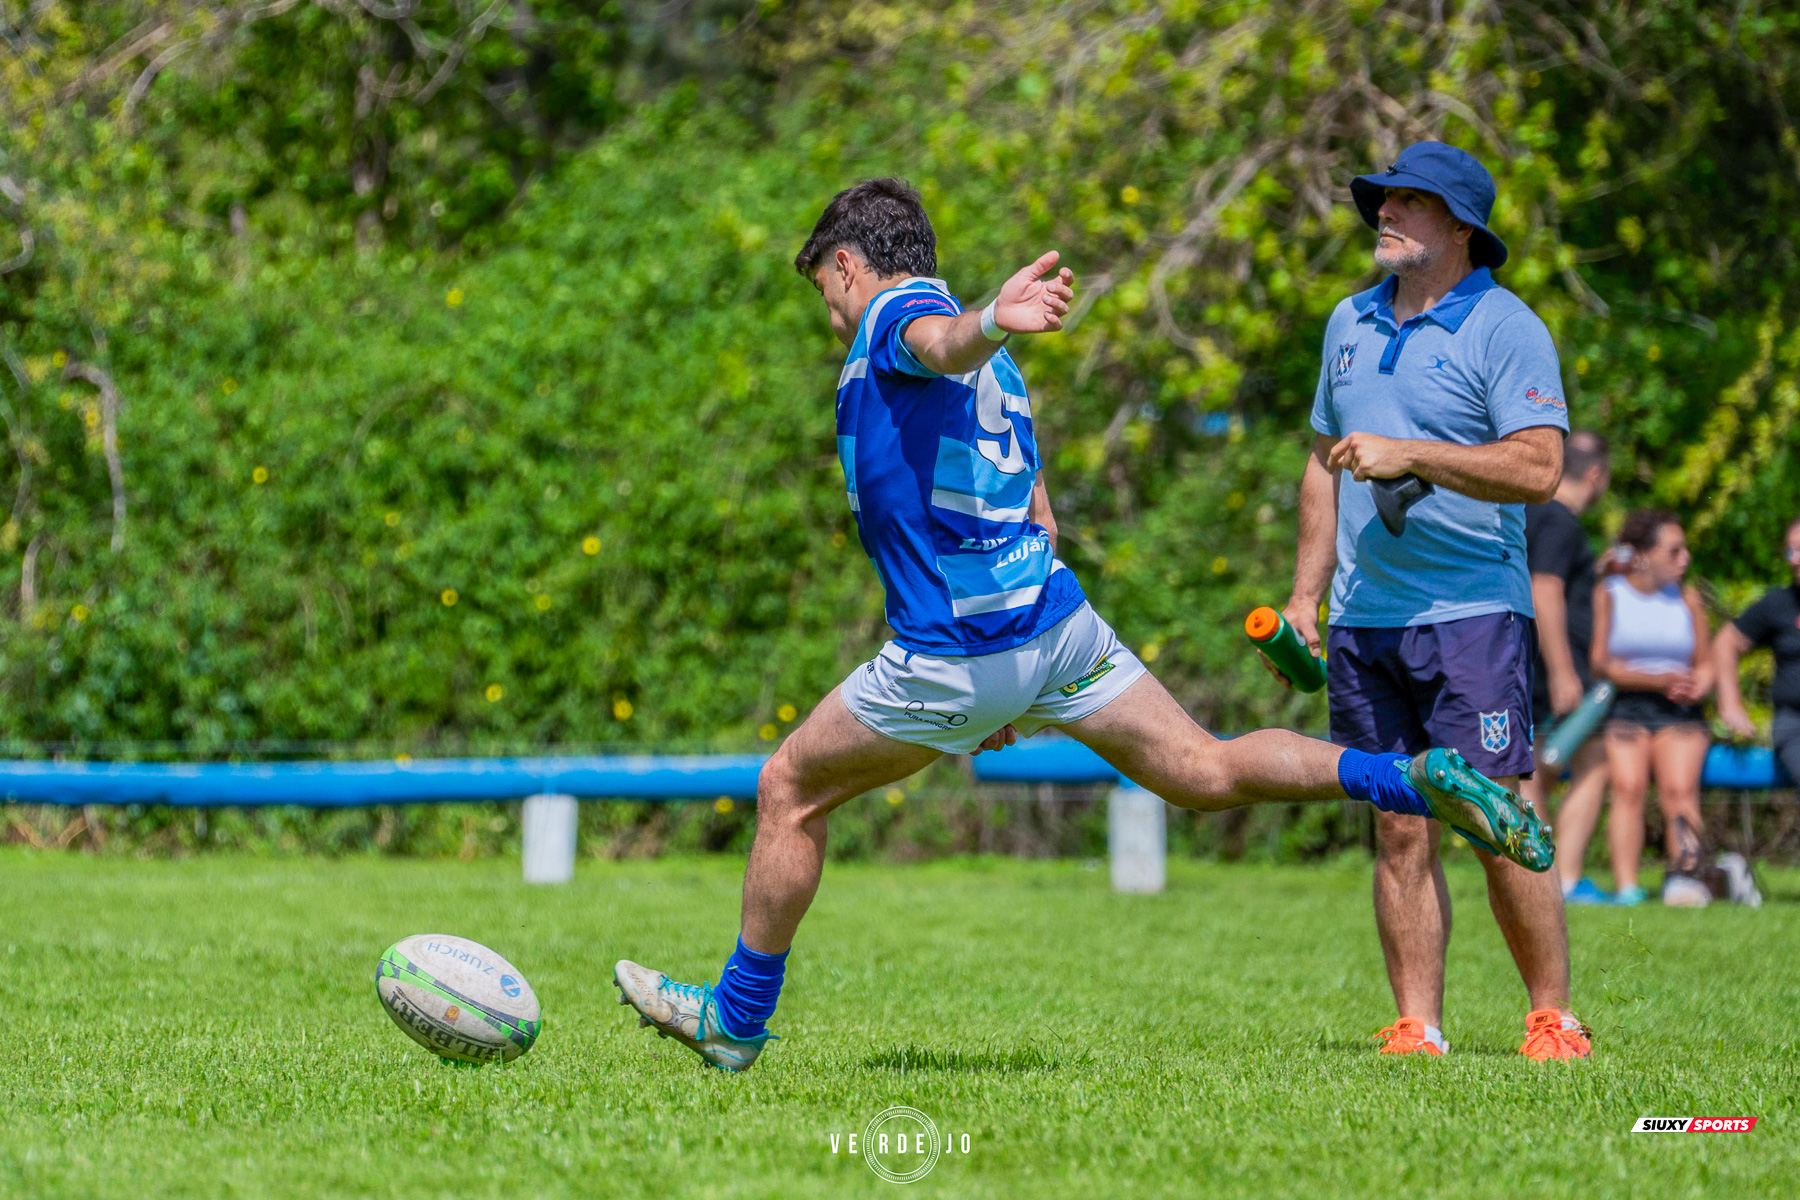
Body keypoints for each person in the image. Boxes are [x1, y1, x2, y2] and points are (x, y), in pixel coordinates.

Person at [610, 178, 1550, 1072]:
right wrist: (1017, 671)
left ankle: (736, 1021)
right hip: (1051, 624)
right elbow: (1042, 514)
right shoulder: (1002, 374)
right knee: (1206, 770)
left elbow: (940, 339)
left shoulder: (905, 318)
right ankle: (1409, 775)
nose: (830, 316)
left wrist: (983, 320)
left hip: (958, 650)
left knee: (789, 789)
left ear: (851, 265)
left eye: (826, 292)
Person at [1279, 141, 1590, 1061]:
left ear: (1460, 229)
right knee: (1398, 824)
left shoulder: (1506, 327)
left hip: (1471, 616)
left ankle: (1552, 1017)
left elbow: (1540, 468)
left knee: (1493, 821)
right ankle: (1420, 1025)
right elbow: (1319, 461)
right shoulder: (1348, 322)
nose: (1386, 214)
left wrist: (1415, 453)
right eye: (1384, 200)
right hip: (1365, 617)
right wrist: (1305, 595)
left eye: (1410, 204)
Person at [1590, 510, 1713, 907]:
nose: (1685, 558)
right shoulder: (1610, 592)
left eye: (1685, 549)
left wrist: (1700, 684)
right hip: (1627, 705)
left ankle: (1687, 879)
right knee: (1628, 787)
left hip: (1679, 710)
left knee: (1678, 790)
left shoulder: (1689, 598)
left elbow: (1706, 661)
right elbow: (1600, 663)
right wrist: (1655, 679)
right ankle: (1627, 887)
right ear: (1643, 555)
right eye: (1674, 550)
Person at [1519, 432, 1613, 902]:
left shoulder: (1534, 513)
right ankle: (1563, 877)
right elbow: (1545, 590)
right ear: (1595, 475)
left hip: (1526, 659)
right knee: (1592, 763)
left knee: (1538, 769)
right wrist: (1562, 670)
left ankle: (1541, 875)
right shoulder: (1562, 521)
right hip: (1552, 664)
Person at [1715, 517, 1800, 808]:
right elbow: (1726, 642)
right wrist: (1730, 704)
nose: (1795, 560)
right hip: (1795, 724)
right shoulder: (1779, 604)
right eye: (1791, 552)